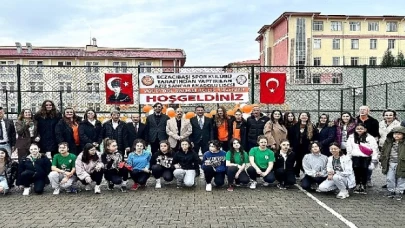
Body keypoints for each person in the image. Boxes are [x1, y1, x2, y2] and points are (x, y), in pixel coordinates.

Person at [347, 123, 378, 194]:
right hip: (355, 157)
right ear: (355, 129)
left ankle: (363, 185)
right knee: (356, 171)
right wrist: (348, 158)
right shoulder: (351, 137)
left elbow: (374, 149)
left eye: (361, 129)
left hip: (366, 158)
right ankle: (357, 184)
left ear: (365, 129)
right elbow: (349, 149)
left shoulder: (370, 138)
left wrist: (374, 160)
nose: (359, 130)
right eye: (357, 129)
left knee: (364, 171)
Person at [288, 112, 319, 178]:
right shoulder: (295, 126)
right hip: (296, 147)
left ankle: (306, 174)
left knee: (305, 160)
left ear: (308, 117)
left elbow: (316, 136)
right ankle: (296, 173)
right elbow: (291, 136)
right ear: (299, 117)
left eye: (305, 115)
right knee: (297, 160)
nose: (304, 117)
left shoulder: (312, 126)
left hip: (307, 147)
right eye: (302, 115)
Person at [380, 126, 405, 200]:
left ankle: (399, 192)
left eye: (399, 134)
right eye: (395, 134)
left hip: (402, 163)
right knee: (390, 178)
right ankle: (391, 190)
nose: (396, 135)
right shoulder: (388, 141)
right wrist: (382, 159)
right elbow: (383, 150)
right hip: (390, 163)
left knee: (401, 178)